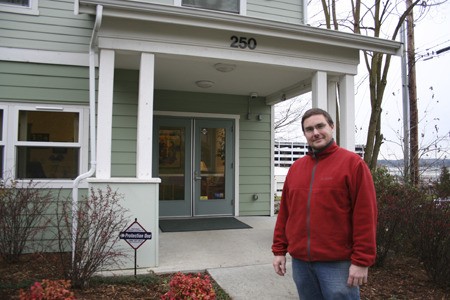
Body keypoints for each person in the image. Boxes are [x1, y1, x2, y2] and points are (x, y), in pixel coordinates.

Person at [272, 108, 378, 299]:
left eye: (320, 126)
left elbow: (366, 215)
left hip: (337, 264)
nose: (316, 133)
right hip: (301, 263)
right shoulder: (296, 169)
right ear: (305, 134)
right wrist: (279, 250)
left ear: (331, 127)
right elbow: (286, 213)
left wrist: (362, 261)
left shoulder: (353, 164)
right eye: (309, 129)